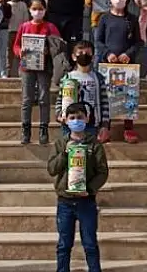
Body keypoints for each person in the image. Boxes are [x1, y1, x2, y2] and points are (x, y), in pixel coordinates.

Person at [47, 102, 109, 272]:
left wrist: (89, 189)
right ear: (66, 120)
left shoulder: (94, 144)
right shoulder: (61, 143)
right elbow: (51, 169)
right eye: (72, 118)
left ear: (87, 119)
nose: (76, 121)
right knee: (64, 244)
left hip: (86, 201)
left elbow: (102, 172)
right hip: (65, 202)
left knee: (90, 243)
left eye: (80, 117)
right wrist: (65, 154)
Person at [95, 0, 142, 144]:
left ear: (127, 0)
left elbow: (138, 42)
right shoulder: (104, 18)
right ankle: (105, 128)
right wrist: (108, 53)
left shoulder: (132, 19)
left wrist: (128, 54)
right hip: (108, 65)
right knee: (107, 96)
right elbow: (98, 41)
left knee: (128, 95)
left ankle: (128, 128)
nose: (118, 0)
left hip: (127, 66)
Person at [13, 0, 61, 145]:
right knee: (27, 99)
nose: (37, 12)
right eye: (34, 9)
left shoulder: (50, 27)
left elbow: (58, 45)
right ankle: (25, 129)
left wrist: (48, 50)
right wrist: (20, 52)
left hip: (44, 67)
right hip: (27, 67)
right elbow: (16, 45)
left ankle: (43, 129)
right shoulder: (24, 26)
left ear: (45, 10)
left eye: (40, 9)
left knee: (43, 98)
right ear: (29, 10)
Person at [55, 40, 110, 138]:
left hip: (92, 124)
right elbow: (60, 99)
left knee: (89, 147)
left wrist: (105, 124)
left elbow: (104, 102)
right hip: (70, 123)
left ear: (93, 57)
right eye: (80, 53)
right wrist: (59, 115)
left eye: (87, 53)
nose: (84, 55)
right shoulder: (67, 77)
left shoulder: (98, 78)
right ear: (73, 57)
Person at [7, 0, 30, 77]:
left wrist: (25, 31)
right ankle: (8, 72)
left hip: (20, 32)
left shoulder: (23, 5)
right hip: (9, 31)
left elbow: (26, 18)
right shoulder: (7, 4)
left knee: (21, 51)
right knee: (9, 52)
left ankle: (21, 71)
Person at [0, 0, 13, 78]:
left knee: (3, 53)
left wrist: (2, 5)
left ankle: (3, 73)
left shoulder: (8, 6)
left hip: (4, 30)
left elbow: (8, 17)